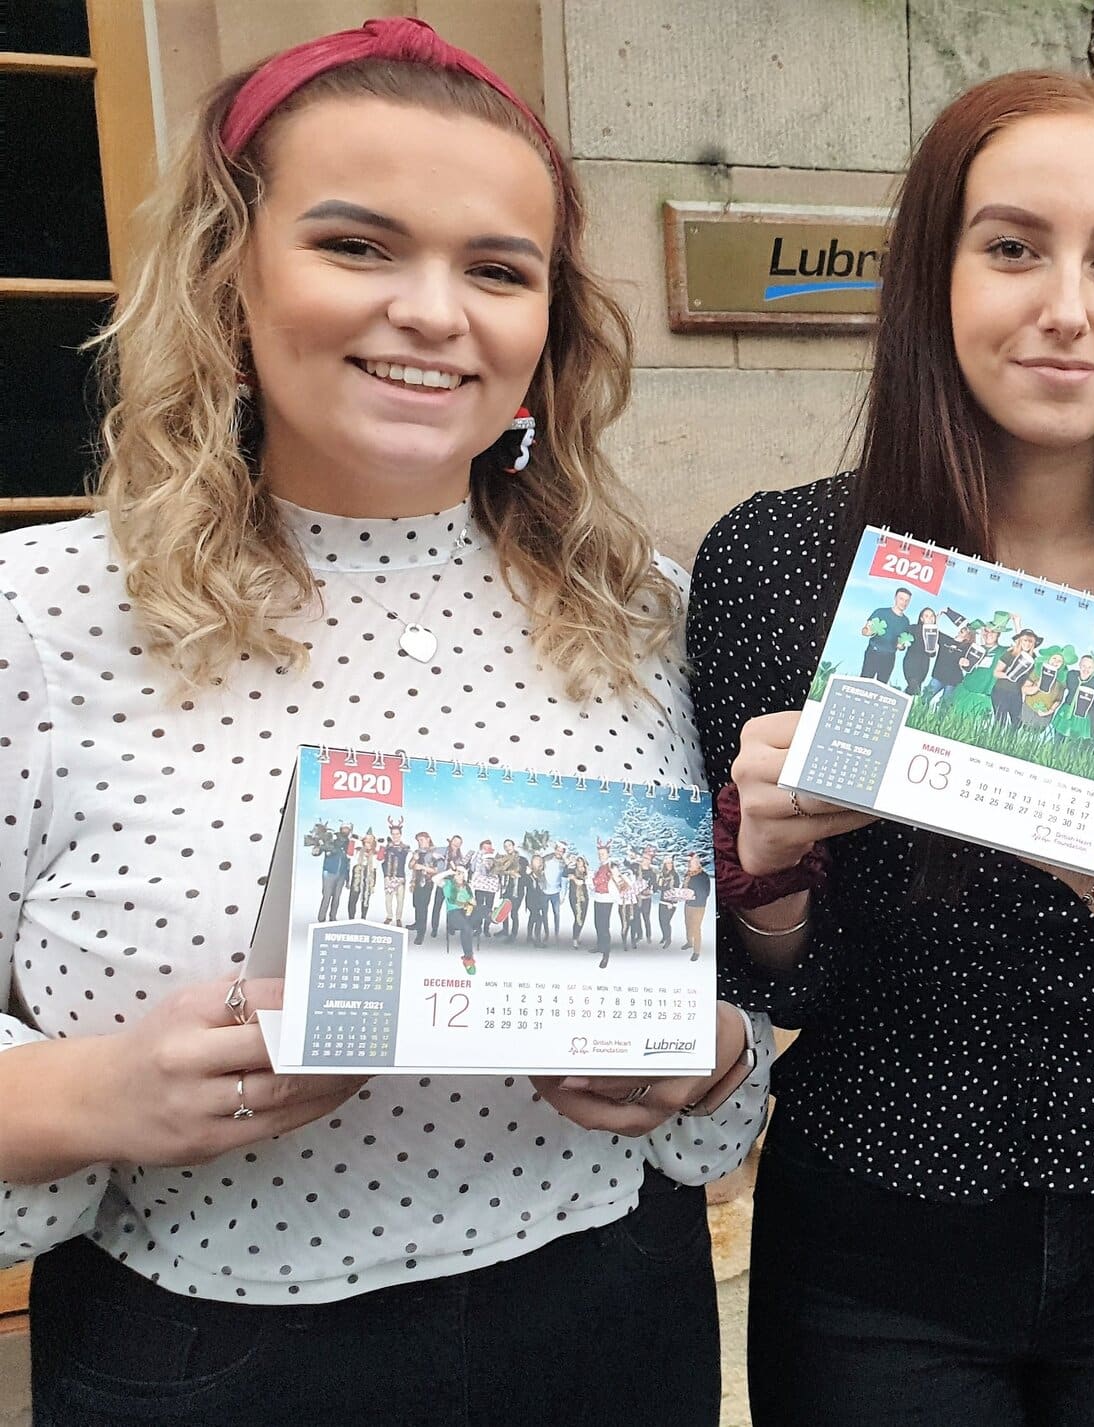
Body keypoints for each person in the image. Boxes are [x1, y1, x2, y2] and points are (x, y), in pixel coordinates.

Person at [0, 22, 768, 1425]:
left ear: (548, 326)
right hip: (210, 1355)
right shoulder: (39, 617)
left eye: (496, 268)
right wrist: (92, 1094)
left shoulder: (641, 609)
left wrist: (706, 1053)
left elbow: (730, 1032)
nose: (434, 310)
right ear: (229, 277)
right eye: (357, 246)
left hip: (618, 1322)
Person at [688, 71, 1094, 1426]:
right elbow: (759, 982)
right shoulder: (779, 565)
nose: (1066, 306)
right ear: (934, 276)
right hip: (873, 1246)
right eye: (1012, 247)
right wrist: (769, 877)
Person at [861, 586, 913, 687]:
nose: (904, 602)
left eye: (907, 600)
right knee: (864, 683)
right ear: (895, 598)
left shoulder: (906, 621)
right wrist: (867, 631)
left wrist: (901, 646)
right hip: (873, 653)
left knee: (881, 687)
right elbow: (864, 630)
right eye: (901, 599)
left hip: (889, 657)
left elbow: (902, 644)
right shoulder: (880, 612)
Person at [680, 851, 711, 959]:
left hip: (698, 906)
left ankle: (696, 952)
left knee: (696, 928)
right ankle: (689, 942)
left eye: (692, 863)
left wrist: (694, 896)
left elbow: (706, 893)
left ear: (697, 864)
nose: (689, 865)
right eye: (689, 863)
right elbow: (684, 887)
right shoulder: (688, 875)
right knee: (687, 924)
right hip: (688, 904)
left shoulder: (703, 876)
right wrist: (681, 894)